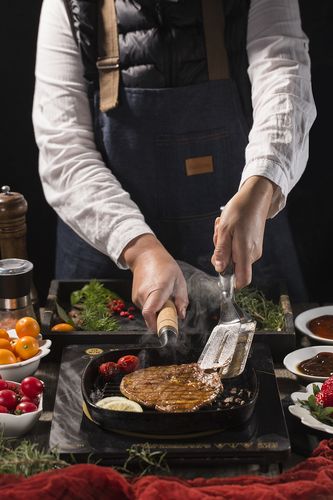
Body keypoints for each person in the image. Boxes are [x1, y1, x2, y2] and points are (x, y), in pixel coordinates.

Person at [33, 0, 316, 332]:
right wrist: (137, 247)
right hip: (107, 259)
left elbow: (284, 78)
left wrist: (262, 183)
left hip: (243, 249)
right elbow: (64, 149)